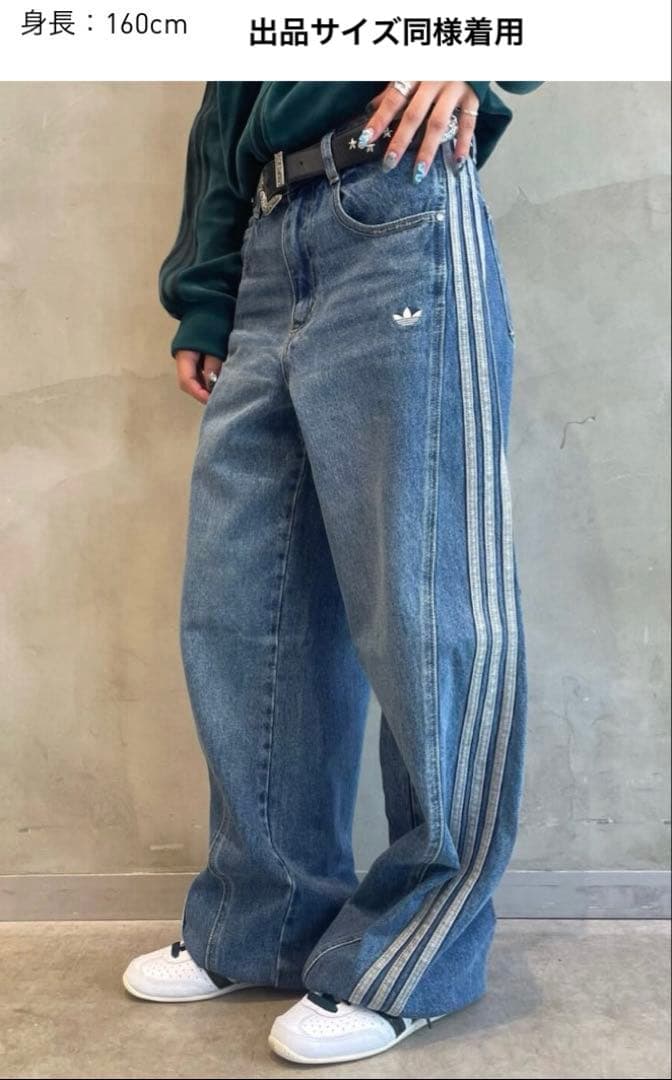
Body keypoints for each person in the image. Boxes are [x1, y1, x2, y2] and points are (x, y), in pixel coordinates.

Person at [123, 80, 544, 1066]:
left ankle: (417, 952)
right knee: (243, 605)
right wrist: (205, 287)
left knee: (427, 600)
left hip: (399, 198)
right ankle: (266, 919)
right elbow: (229, 100)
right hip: (271, 240)